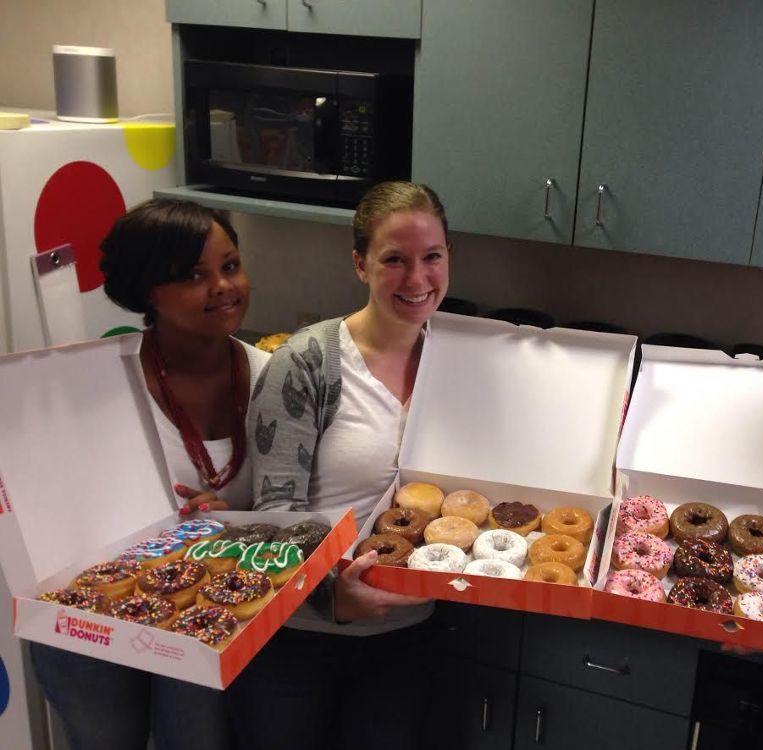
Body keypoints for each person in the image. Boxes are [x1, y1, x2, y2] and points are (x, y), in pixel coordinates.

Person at [30, 198, 269, 750]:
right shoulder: (96, 383)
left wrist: (237, 524)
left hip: (207, 619)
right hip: (94, 624)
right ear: (145, 292)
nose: (222, 287)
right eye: (192, 275)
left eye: (230, 266)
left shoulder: (272, 379)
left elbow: (298, 512)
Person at [224, 181, 449, 749]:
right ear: (360, 264)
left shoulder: (461, 362)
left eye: (432, 257)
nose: (418, 279)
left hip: (409, 636)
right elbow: (276, 513)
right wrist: (331, 597)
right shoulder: (308, 362)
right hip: (299, 636)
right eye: (394, 259)